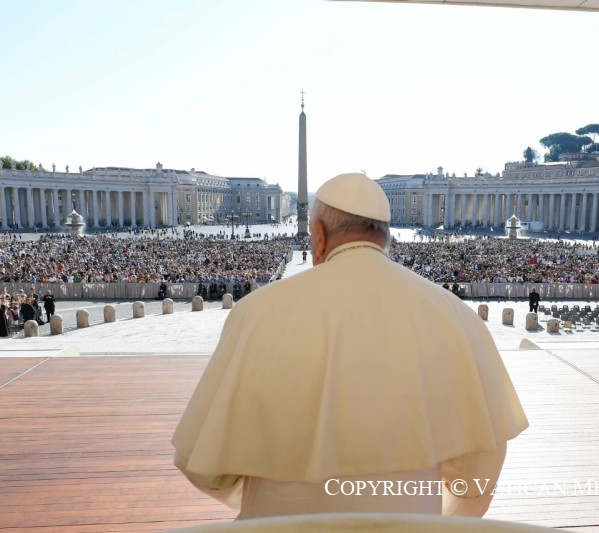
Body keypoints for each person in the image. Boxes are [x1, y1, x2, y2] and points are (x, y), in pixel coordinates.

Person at [173, 172, 528, 520]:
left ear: (318, 235)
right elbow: (478, 472)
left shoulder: (255, 313)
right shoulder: (454, 314)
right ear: (386, 237)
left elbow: (202, 465)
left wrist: (259, 505)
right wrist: (433, 520)